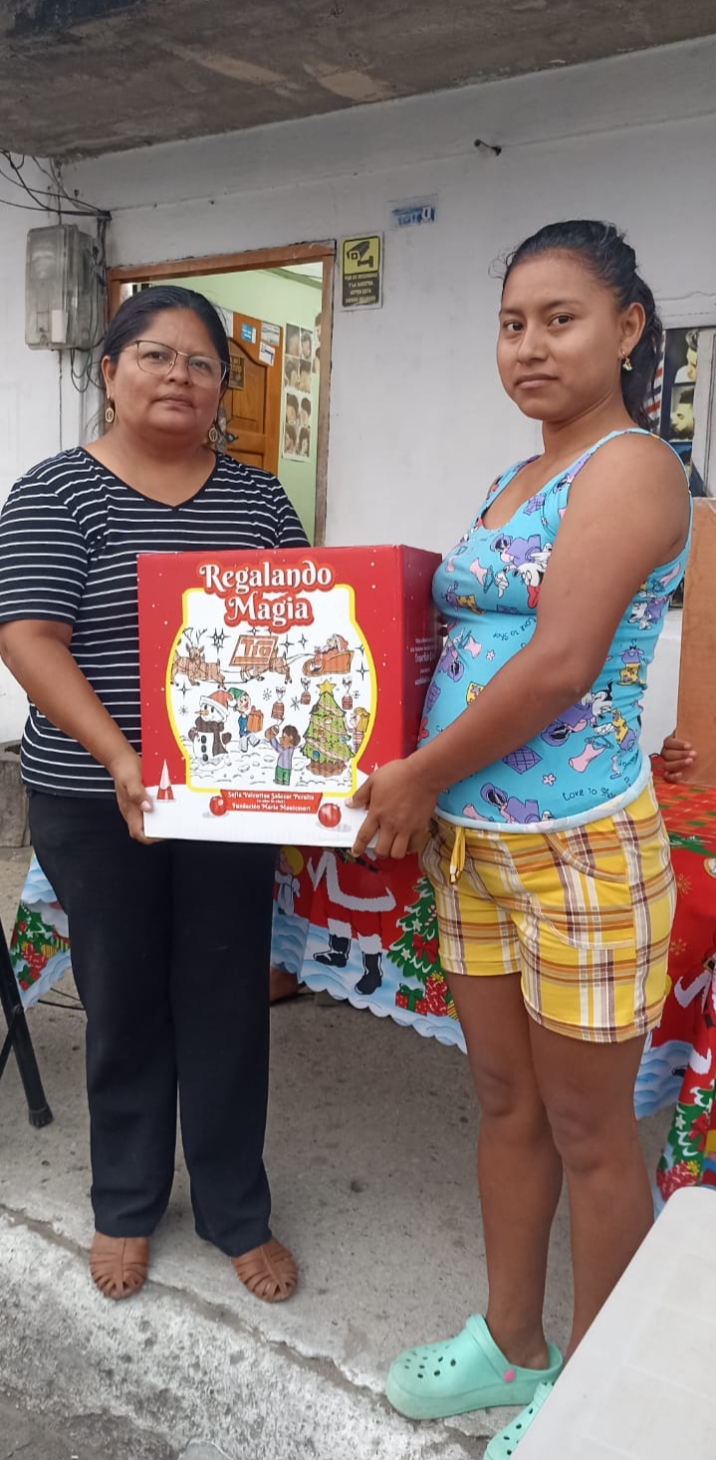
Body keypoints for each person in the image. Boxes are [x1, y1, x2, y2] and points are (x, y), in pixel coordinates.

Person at [351, 221, 691, 1457]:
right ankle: (510, 1341)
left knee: (591, 1132)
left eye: (559, 318)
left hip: (578, 852)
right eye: (511, 324)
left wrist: (415, 775)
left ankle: (593, 1397)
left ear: (626, 328)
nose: (530, 345)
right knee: (502, 1101)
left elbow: (557, 662)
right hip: (474, 846)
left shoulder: (635, 467)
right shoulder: (514, 476)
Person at [0, 285, 308, 1305]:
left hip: (231, 799)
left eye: (201, 362)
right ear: (109, 370)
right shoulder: (56, 492)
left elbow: (307, 637)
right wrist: (123, 759)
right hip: (97, 797)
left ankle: (235, 1210)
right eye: (155, 355)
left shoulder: (259, 503)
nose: (180, 375)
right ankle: (126, 1201)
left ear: (221, 387)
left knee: (227, 1000)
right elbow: (29, 638)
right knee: (124, 998)